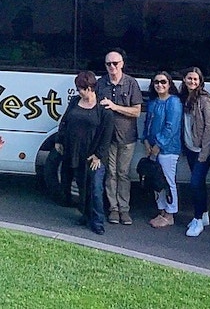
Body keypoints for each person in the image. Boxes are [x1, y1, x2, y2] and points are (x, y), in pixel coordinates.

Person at [55, 71, 114, 235]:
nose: (79, 91)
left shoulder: (103, 108)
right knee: (82, 187)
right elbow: (65, 121)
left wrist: (98, 155)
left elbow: (107, 134)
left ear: (91, 87)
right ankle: (85, 215)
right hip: (75, 152)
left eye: (82, 88)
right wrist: (59, 140)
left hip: (94, 155)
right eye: (78, 88)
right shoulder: (75, 102)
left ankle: (97, 221)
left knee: (95, 189)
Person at [96, 48, 143, 225]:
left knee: (123, 174)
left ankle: (125, 209)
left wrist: (115, 107)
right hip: (107, 138)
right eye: (109, 64)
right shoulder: (101, 84)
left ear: (122, 64)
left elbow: (137, 111)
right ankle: (113, 209)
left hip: (127, 137)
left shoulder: (131, 83)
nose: (112, 67)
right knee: (110, 174)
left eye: (115, 63)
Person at [180, 66, 210, 237]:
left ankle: (197, 219)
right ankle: (204, 215)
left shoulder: (205, 99)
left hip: (204, 149)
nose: (192, 82)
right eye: (189, 78)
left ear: (200, 81)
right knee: (199, 183)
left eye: (195, 79)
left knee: (195, 183)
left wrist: (204, 151)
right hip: (189, 147)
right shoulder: (183, 97)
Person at [142, 71, 182, 228]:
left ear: (169, 84)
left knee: (168, 181)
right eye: (157, 82)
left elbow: (171, 127)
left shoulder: (174, 102)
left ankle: (170, 214)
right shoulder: (152, 102)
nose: (160, 85)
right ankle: (161, 211)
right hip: (152, 148)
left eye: (163, 82)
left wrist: (159, 145)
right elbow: (147, 124)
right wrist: (145, 141)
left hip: (168, 149)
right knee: (156, 181)